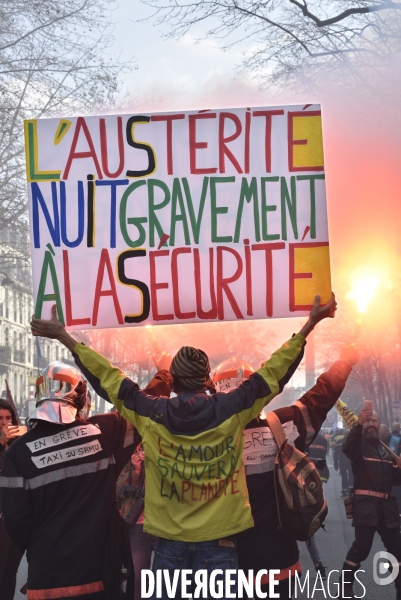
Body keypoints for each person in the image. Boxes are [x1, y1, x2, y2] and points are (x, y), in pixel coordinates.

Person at [29, 294, 336, 599]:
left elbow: (108, 379)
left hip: (167, 546)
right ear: (208, 380)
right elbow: (273, 374)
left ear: (173, 381)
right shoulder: (233, 409)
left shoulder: (149, 413)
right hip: (221, 543)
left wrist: (64, 337)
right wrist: (310, 324)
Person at [0, 360, 170, 600]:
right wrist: (165, 375)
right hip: (99, 575)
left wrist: (43, 547)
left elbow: (15, 521)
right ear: (80, 399)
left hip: (47, 579)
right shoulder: (101, 434)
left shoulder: (18, 452)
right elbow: (136, 407)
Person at [212, 343, 359, 599]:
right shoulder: (281, 426)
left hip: (220, 569)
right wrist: (343, 363)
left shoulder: (199, 438)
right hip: (278, 565)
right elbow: (319, 399)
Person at [340, 408, 401, 599]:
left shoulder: (386, 450)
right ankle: (344, 588)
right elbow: (348, 447)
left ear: (380, 425)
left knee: (397, 550)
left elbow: (395, 481)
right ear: (362, 425)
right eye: (368, 422)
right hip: (366, 507)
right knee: (361, 549)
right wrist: (358, 424)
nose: (372, 424)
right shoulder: (358, 447)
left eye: (374, 421)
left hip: (387, 508)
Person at [0, 400, 24, 600]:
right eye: (0, 419)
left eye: (8, 418)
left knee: (10, 572)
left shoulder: (17, 446)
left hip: (16, 519)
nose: (5, 423)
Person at [333, 428, 353, 497]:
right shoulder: (353, 442)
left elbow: (336, 454)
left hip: (342, 461)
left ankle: (344, 490)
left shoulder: (339, 442)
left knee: (344, 476)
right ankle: (350, 490)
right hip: (351, 461)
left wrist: (335, 464)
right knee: (351, 476)